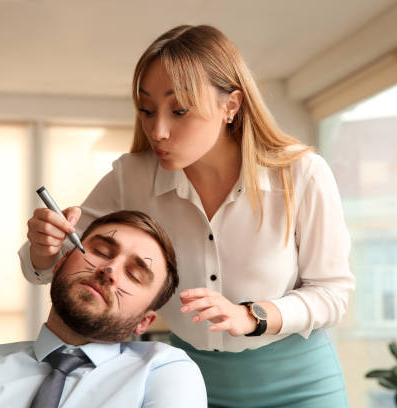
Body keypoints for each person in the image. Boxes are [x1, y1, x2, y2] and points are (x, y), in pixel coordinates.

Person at [21, 25, 355, 407]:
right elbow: (58, 263)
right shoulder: (132, 176)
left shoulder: (301, 174)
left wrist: (252, 316)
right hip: (184, 379)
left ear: (230, 105)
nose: (157, 130)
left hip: (300, 384)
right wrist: (44, 249)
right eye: (147, 110)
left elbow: (333, 294)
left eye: (179, 111)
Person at [0, 210, 207, 408]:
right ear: (60, 263)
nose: (110, 269)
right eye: (100, 251)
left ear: (145, 321)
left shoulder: (165, 371)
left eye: (135, 274)